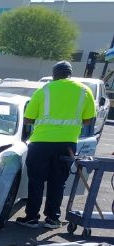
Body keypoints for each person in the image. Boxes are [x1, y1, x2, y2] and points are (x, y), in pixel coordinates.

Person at [15, 61, 96, 229]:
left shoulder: (43, 90)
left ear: (54, 74)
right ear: (70, 74)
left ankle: (31, 218)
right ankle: (52, 218)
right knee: (58, 182)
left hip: (41, 143)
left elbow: (29, 118)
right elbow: (89, 120)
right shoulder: (84, 91)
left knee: (36, 181)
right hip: (67, 144)